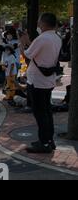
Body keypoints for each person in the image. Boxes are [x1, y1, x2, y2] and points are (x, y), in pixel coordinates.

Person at [20, 13, 62, 154]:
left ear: (43, 23)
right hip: (48, 79)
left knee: (40, 113)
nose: (38, 24)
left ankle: (44, 143)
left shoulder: (42, 38)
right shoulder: (57, 38)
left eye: (39, 22)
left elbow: (27, 54)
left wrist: (23, 42)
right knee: (47, 112)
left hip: (37, 81)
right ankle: (49, 140)